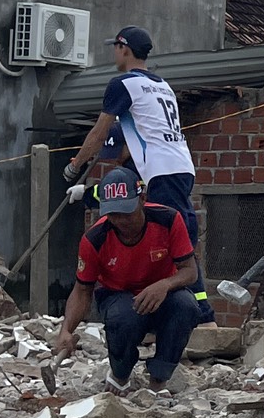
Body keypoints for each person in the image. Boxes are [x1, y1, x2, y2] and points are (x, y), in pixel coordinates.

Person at [53, 167, 205, 391]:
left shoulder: (169, 220)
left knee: (187, 306)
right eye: (113, 214)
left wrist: (164, 285)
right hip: (119, 296)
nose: (121, 221)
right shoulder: (94, 239)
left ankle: (159, 379)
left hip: (165, 294)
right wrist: (66, 330)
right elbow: (82, 290)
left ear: (142, 199)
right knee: (122, 317)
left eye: (126, 213)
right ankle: (120, 374)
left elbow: (190, 271)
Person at [65, 27, 199, 247]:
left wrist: (75, 166)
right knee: (179, 229)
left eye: (116, 48)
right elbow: (122, 188)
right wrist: (87, 193)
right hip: (182, 166)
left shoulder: (123, 84)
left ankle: (188, 281)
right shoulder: (163, 86)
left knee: (171, 241)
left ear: (124, 48)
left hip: (160, 169)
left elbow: (99, 133)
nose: (115, 54)